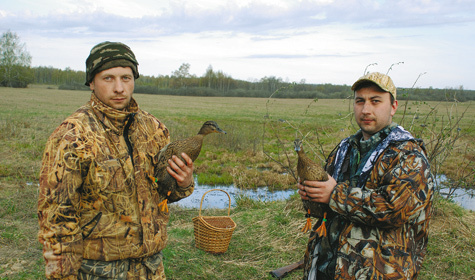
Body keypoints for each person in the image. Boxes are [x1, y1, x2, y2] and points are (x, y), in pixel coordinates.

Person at [38, 41, 195, 280]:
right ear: (91, 82)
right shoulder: (73, 136)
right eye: (108, 78)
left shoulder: (154, 129)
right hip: (97, 272)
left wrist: (183, 184)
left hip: (151, 268)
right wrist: (62, 275)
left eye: (126, 77)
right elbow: (56, 220)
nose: (119, 88)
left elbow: (162, 196)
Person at [298, 72, 434, 279]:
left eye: (375, 101)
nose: (366, 109)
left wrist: (334, 194)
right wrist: (312, 195)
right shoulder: (344, 149)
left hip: (378, 272)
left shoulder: (409, 156)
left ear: (393, 107)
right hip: (328, 267)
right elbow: (327, 211)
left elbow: (393, 209)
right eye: (360, 101)